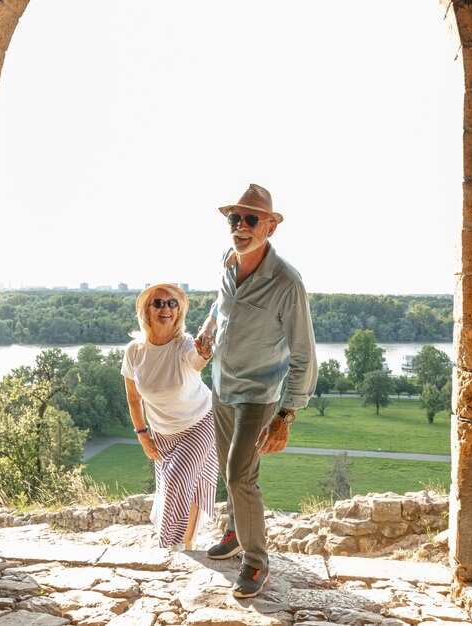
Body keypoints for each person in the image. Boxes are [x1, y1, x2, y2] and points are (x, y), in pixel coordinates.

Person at [196, 183, 317, 598]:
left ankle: (256, 562)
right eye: (235, 219)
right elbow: (219, 304)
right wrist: (207, 330)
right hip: (222, 386)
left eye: (251, 219)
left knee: (238, 475)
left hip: (259, 395)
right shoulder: (228, 262)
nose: (241, 226)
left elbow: (304, 356)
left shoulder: (286, 282)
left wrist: (286, 416)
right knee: (234, 473)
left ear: (270, 227)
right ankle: (234, 533)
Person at [122, 283, 217, 551]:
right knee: (188, 484)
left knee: (177, 479)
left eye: (172, 303)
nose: (166, 308)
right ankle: (187, 544)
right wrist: (143, 435)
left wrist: (205, 349)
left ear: (178, 312)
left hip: (201, 422)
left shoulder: (185, 345)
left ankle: (169, 547)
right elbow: (133, 397)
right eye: (159, 303)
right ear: (146, 311)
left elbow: (198, 358)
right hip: (163, 433)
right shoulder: (134, 351)